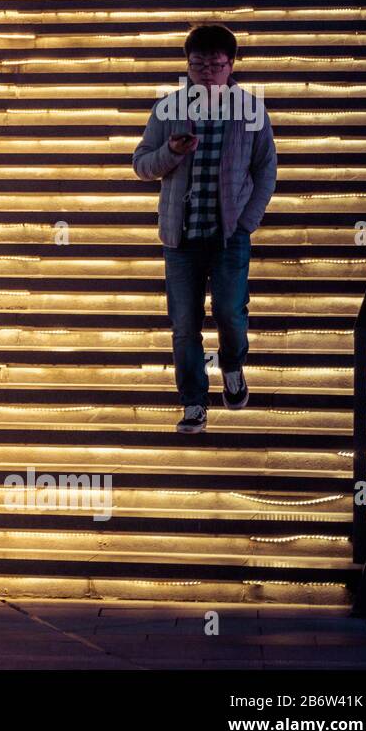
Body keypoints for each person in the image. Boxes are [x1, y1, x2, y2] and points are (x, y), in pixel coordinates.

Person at [131, 25, 278, 433]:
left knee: (230, 312)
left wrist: (248, 220)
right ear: (188, 66)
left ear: (231, 65)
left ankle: (232, 365)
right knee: (184, 323)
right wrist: (170, 153)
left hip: (230, 235)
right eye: (199, 64)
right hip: (181, 238)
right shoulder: (168, 109)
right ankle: (194, 401)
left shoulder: (249, 110)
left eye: (216, 64)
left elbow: (266, 168)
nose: (207, 72)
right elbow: (141, 164)